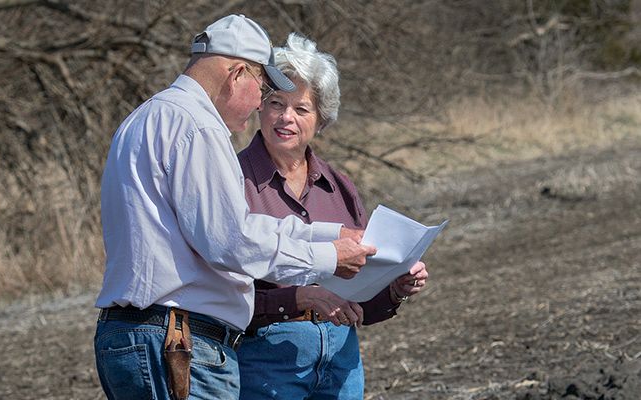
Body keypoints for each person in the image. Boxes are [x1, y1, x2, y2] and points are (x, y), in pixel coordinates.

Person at [93, 15, 376, 400]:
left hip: (142, 336)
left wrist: (330, 234)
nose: (261, 103)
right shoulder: (199, 126)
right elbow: (230, 241)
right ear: (237, 73)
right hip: (178, 344)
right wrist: (326, 256)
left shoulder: (146, 117)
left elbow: (231, 227)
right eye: (263, 88)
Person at [236, 33, 430, 399]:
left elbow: (362, 302)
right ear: (259, 106)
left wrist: (395, 288)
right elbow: (219, 295)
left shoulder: (339, 186)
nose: (286, 118)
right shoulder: (233, 181)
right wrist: (296, 299)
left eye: (302, 108)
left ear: (321, 120)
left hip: (342, 359)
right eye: (276, 103)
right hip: (265, 357)